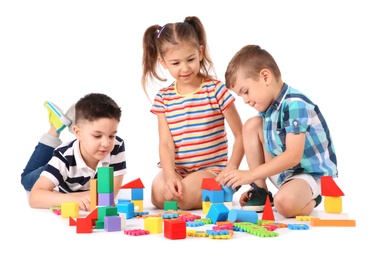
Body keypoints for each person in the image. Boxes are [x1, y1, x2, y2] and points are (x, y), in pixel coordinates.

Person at [222, 44, 338, 218]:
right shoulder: (268, 111)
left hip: (309, 175)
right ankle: (260, 191)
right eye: (241, 96)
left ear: (265, 77)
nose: (245, 100)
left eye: (246, 92)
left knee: (284, 204)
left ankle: (315, 197)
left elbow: (293, 156)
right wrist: (252, 178)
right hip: (287, 174)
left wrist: (249, 174)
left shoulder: (295, 104)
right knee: (251, 125)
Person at [141, 16, 244, 210]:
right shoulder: (164, 98)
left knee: (183, 199)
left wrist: (231, 168)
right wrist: (170, 175)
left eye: (190, 59)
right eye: (176, 63)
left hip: (210, 171)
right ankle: (192, 189)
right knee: (157, 195)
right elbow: (165, 142)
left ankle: (223, 190)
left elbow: (241, 134)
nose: (185, 68)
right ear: (163, 62)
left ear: (200, 52)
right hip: (179, 170)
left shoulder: (215, 90)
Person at [22, 93, 126, 211]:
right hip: (62, 165)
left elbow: (111, 192)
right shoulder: (63, 157)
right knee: (26, 180)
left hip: (69, 167)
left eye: (112, 135)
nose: (106, 143)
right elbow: (35, 198)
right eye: (97, 136)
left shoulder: (116, 146)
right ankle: (54, 128)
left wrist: (63, 196)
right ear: (78, 133)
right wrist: (74, 199)